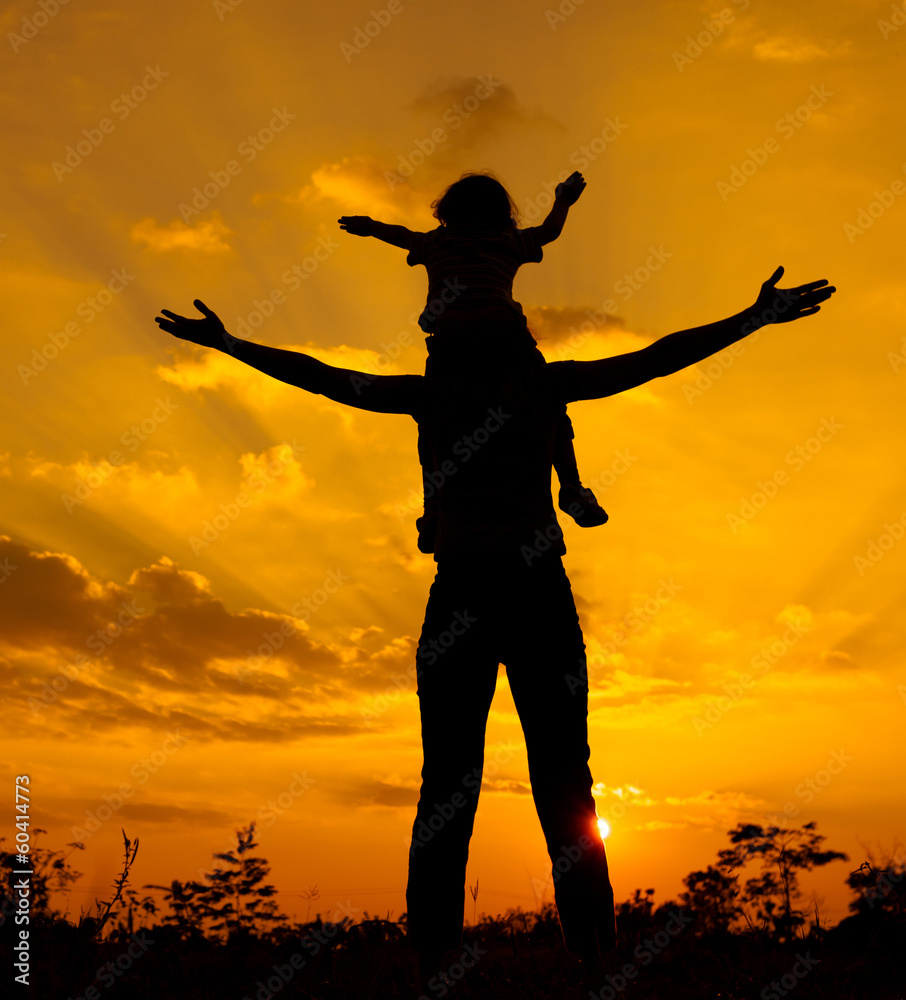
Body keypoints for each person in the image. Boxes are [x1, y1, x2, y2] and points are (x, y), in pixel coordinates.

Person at [154, 265, 836, 990]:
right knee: (560, 777)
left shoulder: (434, 395)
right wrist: (749, 319)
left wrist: (230, 343)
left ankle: (443, 960)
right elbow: (652, 359)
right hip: (533, 591)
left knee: (453, 782)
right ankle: (588, 957)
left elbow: (323, 377)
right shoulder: (535, 388)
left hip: (466, 596)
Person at [337, 170, 608, 555]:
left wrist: (371, 227)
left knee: (432, 418)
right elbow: (549, 232)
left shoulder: (436, 242)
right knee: (548, 406)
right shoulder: (509, 240)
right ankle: (571, 487)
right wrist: (563, 199)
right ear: (501, 211)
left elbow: (401, 235)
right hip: (505, 339)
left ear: (448, 209)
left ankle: (434, 510)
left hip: (454, 344)